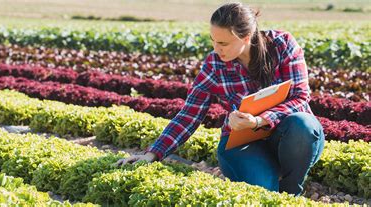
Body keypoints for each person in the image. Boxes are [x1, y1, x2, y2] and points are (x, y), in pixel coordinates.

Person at [114, 2, 325, 196]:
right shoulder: (214, 65)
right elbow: (189, 114)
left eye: (223, 42)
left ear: (246, 36)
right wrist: (152, 154)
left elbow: (299, 97)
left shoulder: (282, 45)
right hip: (243, 143)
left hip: (291, 136)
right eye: (213, 41)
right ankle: (267, 175)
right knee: (264, 191)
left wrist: (260, 120)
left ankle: (291, 193)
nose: (216, 49)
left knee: (302, 124)